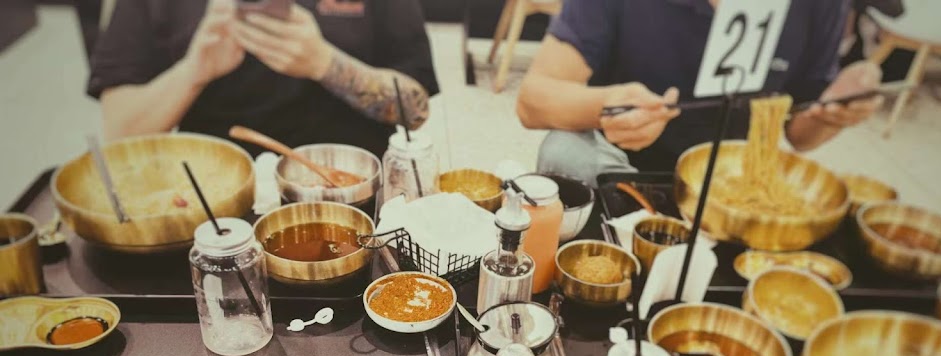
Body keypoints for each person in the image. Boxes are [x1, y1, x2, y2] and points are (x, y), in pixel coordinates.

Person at [517, 0, 884, 186]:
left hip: (735, 178)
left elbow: (800, 135)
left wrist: (834, 113)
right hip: (626, 169)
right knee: (565, 153)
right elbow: (532, 100)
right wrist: (607, 106)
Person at [88, 0, 439, 158]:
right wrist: (194, 70)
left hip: (353, 188)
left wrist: (325, 64)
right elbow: (121, 132)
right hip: (214, 199)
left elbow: (415, 111)